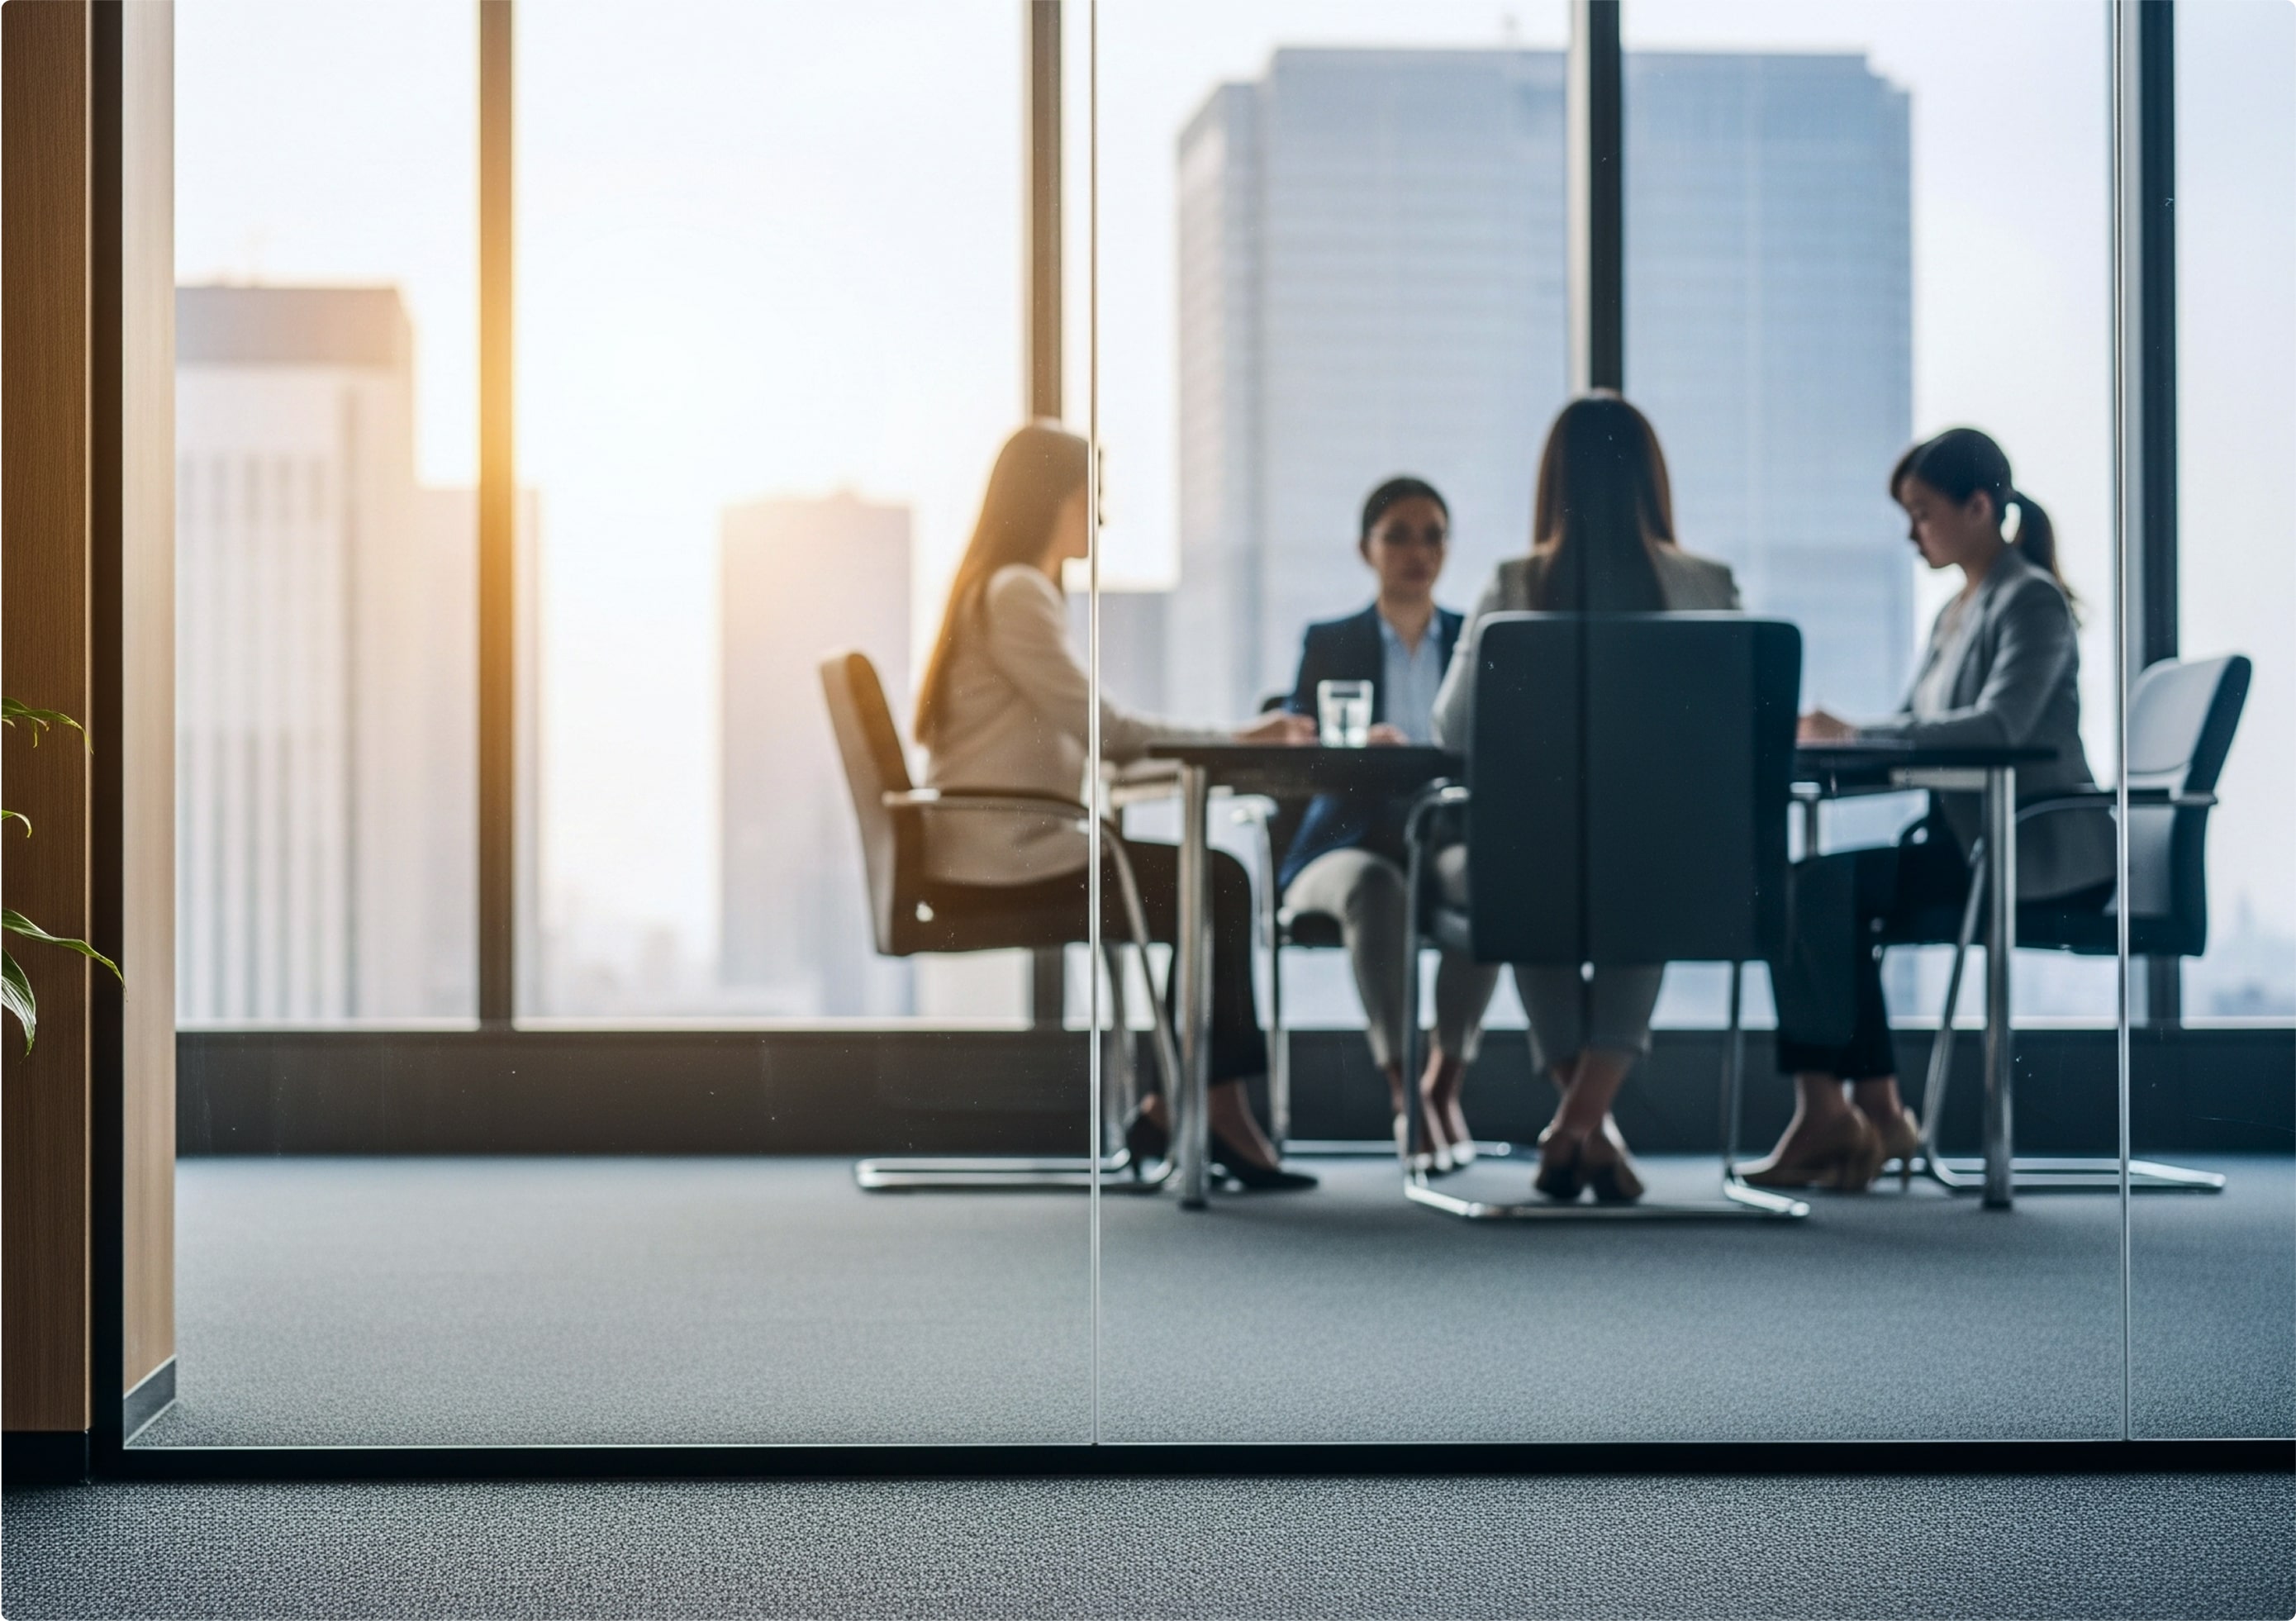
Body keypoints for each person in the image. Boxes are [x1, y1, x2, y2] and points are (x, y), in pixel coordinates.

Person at [914, 422, 1319, 1191]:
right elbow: (1111, 733)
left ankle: (1185, 1105)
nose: (1098, 515)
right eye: (1088, 495)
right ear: (1050, 500)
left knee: (1212, 885)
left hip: (1007, 846)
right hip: (1011, 858)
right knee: (1220, 884)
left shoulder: (998, 590)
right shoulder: (1016, 593)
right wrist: (1238, 736)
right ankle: (1209, 1110)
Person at [1747, 426, 2114, 1191]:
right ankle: (1853, 1114)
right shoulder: (1953, 613)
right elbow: (1917, 728)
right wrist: (1839, 740)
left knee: (1817, 892)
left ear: (1976, 507)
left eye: (1922, 513)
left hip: (2030, 852)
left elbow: (1999, 727)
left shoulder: (2030, 600)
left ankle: (1868, 1118)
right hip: (1967, 843)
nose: (1913, 533)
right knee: (1804, 888)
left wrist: (1863, 732)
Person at [1431, 392, 1742, 1204]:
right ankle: (1587, 1128)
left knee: (1528, 879)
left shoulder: (1512, 584)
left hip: (1532, 863)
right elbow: (1737, 738)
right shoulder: (1708, 585)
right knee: (1641, 879)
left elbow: (1454, 727)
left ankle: (1577, 1125)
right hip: (1677, 869)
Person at [1278, 477, 1487, 1172]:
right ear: (1365, 548)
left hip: (1444, 837)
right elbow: (1297, 750)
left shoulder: (1472, 642)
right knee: (1375, 888)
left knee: (1495, 881)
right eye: (1397, 534)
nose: (1416, 551)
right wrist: (1355, 744)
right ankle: (1406, 1096)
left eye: (1432, 535)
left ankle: (1443, 1082)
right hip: (1344, 842)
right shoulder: (1329, 642)